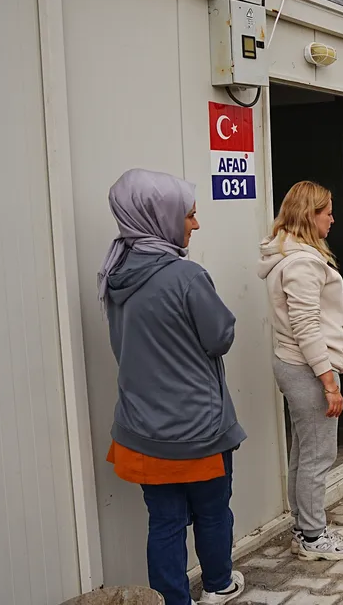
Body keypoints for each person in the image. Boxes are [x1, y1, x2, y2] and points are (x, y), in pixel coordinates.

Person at [99, 169, 246, 605]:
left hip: (142, 429)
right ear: (158, 215)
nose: (195, 225)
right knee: (212, 511)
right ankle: (218, 586)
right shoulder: (187, 276)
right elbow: (220, 337)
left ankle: (172, 601)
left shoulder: (114, 275)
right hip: (199, 430)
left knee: (163, 523)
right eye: (190, 216)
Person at [259, 181, 343, 561]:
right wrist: (329, 382)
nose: (333, 219)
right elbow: (306, 325)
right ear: (308, 215)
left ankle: (306, 527)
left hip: (297, 366)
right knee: (318, 456)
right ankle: (314, 539)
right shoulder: (301, 262)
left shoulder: (290, 253)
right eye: (327, 212)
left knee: (305, 452)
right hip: (306, 369)